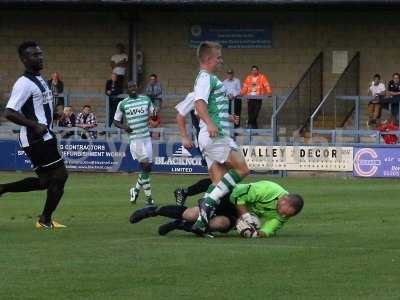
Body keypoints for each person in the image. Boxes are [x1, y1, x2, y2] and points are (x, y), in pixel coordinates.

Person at [0, 41, 68, 229]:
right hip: (37, 138)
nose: (40, 57)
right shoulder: (23, 84)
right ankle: (45, 219)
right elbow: (10, 112)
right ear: (24, 59)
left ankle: (3, 188)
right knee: (61, 175)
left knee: (45, 181)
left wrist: (53, 116)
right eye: (34, 55)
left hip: (43, 135)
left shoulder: (39, 79)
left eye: (40, 54)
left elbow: (38, 108)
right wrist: (34, 125)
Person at [191, 41, 250, 234]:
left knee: (219, 183)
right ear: (208, 59)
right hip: (215, 135)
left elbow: (212, 106)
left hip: (211, 135)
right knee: (242, 168)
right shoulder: (205, 77)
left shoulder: (209, 79)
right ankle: (207, 204)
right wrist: (210, 123)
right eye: (218, 57)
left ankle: (200, 223)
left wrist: (227, 117)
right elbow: (199, 104)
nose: (220, 61)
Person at [130, 180, 304, 238]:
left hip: (238, 214)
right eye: (283, 210)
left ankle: (178, 224)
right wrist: (246, 216)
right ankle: (154, 210)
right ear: (285, 199)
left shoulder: (285, 214)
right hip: (229, 197)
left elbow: (269, 229)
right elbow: (239, 196)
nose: (282, 214)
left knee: (218, 224)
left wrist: (254, 233)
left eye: (286, 215)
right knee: (194, 213)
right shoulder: (269, 189)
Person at [113, 81, 157, 206]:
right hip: (135, 139)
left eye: (134, 86)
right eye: (130, 87)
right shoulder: (123, 104)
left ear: (137, 88)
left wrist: (154, 115)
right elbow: (116, 121)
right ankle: (149, 199)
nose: (132, 88)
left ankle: (135, 190)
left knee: (147, 169)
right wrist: (124, 127)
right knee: (146, 167)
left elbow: (154, 116)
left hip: (146, 138)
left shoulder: (146, 99)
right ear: (127, 89)